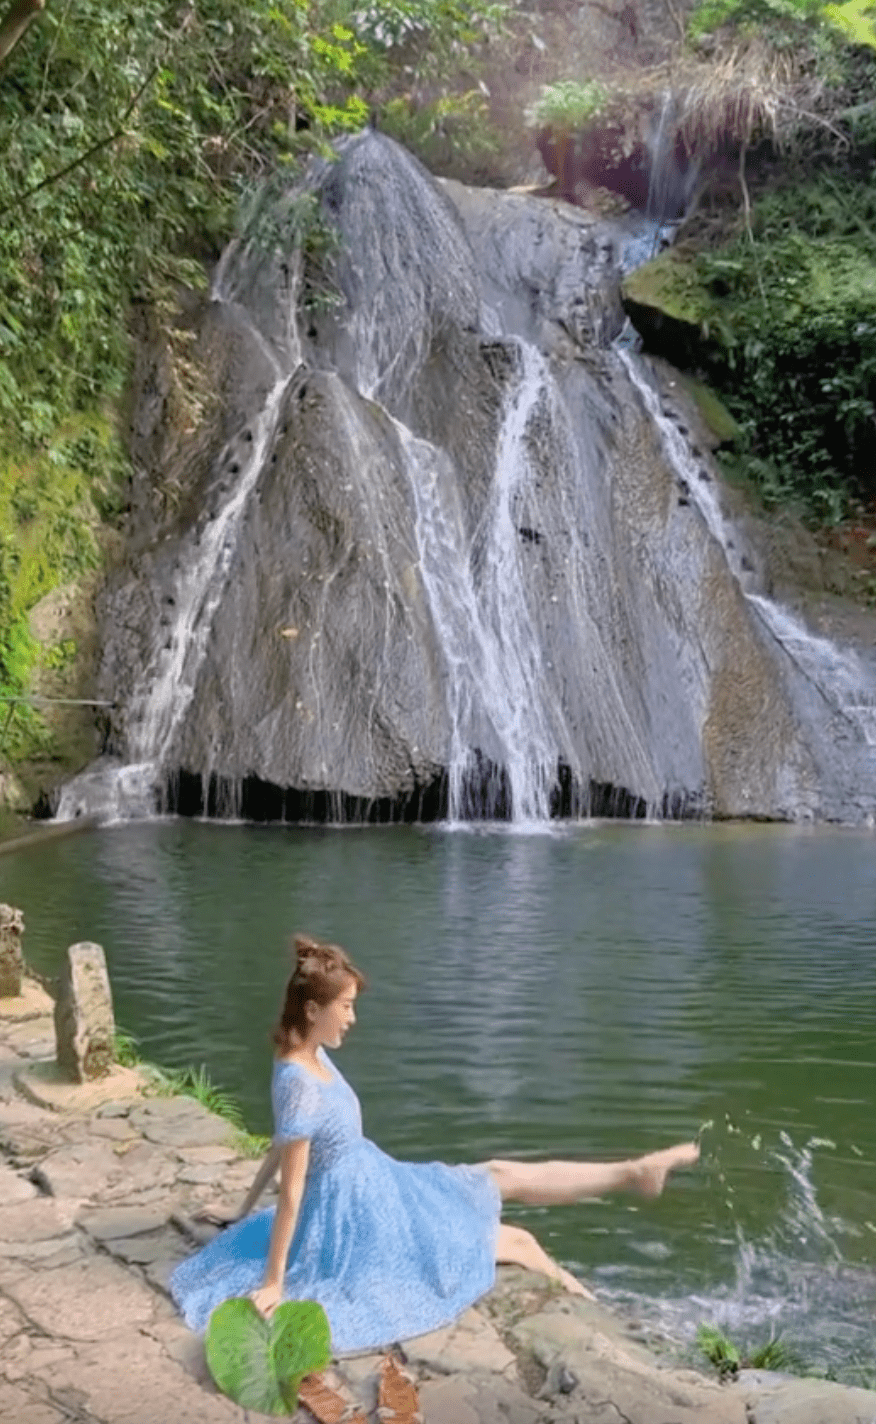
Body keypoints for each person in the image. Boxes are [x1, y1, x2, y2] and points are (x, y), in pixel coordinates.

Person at [170, 933, 700, 1355]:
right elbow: (292, 1187)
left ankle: (634, 1172)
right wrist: (273, 1282)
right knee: (517, 1243)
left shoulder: (309, 1056)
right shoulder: (298, 1079)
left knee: (500, 1173)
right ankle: (620, 1325)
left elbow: (282, 1143)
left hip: (378, 1182)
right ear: (313, 1011)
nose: (353, 1019)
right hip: (354, 1223)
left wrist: (241, 1209)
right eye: (347, 1007)